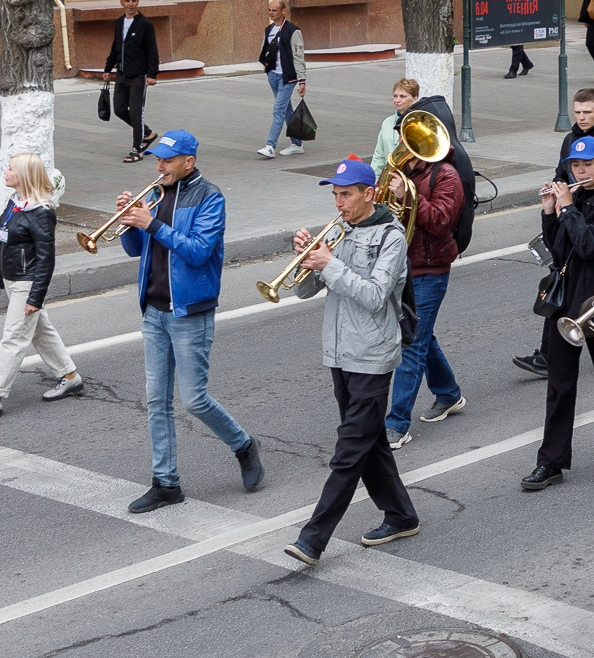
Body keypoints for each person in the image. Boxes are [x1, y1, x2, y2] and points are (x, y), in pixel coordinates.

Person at [281, 157, 422, 564]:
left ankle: (313, 537)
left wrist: (331, 263)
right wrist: (309, 260)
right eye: (336, 195)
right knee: (369, 440)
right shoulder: (340, 231)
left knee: (349, 449)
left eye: (347, 195)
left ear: (369, 194)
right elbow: (305, 292)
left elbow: (377, 297)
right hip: (340, 352)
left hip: (373, 355)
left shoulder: (391, 238)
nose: (339, 203)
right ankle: (401, 514)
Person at [117, 130, 264, 513]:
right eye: (157, 160)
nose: (160, 166)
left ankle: (244, 445)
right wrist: (131, 222)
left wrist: (152, 224)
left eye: (168, 160)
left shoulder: (210, 198)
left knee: (194, 399)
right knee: (156, 401)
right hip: (154, 310)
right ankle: (166, 483)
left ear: (189, 162)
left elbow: (199, 252)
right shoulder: (155, 194)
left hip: (190, 312)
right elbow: (137, 249)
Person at [525, 136, 594, 491]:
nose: (580, 170)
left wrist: (568, 208)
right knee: (559, 385)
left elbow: (588, 246)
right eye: (575, 165)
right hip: (568, 304)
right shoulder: (576, 198)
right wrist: (549, 211)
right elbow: (559, 251)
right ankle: (551, 461)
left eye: (587, 164)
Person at [514, 89, 594, 379]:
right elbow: (562, 175)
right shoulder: (570, 140)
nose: (581, 117)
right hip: (573, 218)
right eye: (577, 112)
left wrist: (578, 202)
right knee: (559, 283)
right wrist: (555, 202)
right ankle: (547, 355)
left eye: (587, 112)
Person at [0, 152, 84, 418]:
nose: (5, 173)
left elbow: (46, 260)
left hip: (27, 284)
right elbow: (5, 246)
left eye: (10, 169)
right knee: (41, 332)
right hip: (12, 280)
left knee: (13, 339)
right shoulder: (14, 202)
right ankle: (70, 376)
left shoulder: (41, 212)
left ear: (24, 176)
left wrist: (35, 298)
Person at [381, 123, 467, 449]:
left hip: (431, 270)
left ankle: (396, 424)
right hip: (401, 267)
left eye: (411, 138)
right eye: (403, 137)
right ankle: (448, 393)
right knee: (422, 336)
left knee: (411, 344)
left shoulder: (446, 176)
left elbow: (442, 221)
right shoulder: (398, 169)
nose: (404, 143)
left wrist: (409, 195)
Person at [103, 0, 160, 163]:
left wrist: (152, 74)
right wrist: (108, 67)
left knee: (136, 113)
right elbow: (116, 46)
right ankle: (148, 133)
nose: (130, 4)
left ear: (138, 3)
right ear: (122, 3)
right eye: (127, 1)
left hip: (138, 76)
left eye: (133, 1)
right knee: (119, 109)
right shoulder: (119, 22)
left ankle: (137, 149)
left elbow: (152, 50)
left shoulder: (144, 24)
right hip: (122, 74)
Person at [256, 0, 308, 158]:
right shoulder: (269, 30)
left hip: (288, 77)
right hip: (273, 75)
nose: (271, 13)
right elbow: (264, 49)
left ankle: (270, 146)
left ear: (283, 11)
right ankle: (297, 143)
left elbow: (298, 56)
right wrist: (266, 65)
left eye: (274, 10)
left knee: (278, 109)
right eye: (269, 10)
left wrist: (302, 80)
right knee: (286, 109)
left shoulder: (293, 31)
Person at [370, 78, 418, 175]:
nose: (397, 100)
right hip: (389, 177)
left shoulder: (420, 122)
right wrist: (374, 180)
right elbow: (379, 156)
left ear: (415, 98)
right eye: (395, 96)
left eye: (402, 96)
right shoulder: (387, 122)